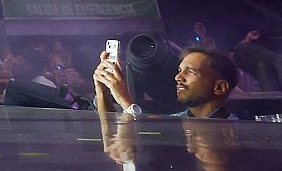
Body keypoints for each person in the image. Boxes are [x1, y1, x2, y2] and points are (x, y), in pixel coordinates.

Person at [94, 45, 238, 119]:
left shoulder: (233, 133)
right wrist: (102, 91)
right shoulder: (178, 122)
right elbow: (112, 135)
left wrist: (123, 98)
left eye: (190, 72)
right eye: (180, 70)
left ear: (219, 87)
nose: (178, 77)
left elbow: (143, 132)